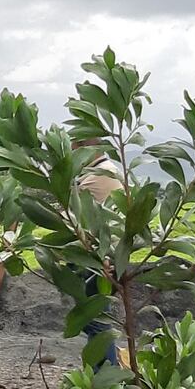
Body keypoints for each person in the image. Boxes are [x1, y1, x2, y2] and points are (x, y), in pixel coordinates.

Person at [75, 139, 123, 367]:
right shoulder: (111, 171)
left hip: (98, 260)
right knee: (97, 320)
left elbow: (71, 218)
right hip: (110, 256)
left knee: (96, 322)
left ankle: (106, 382)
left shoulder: (95, 178)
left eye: (75, 149)